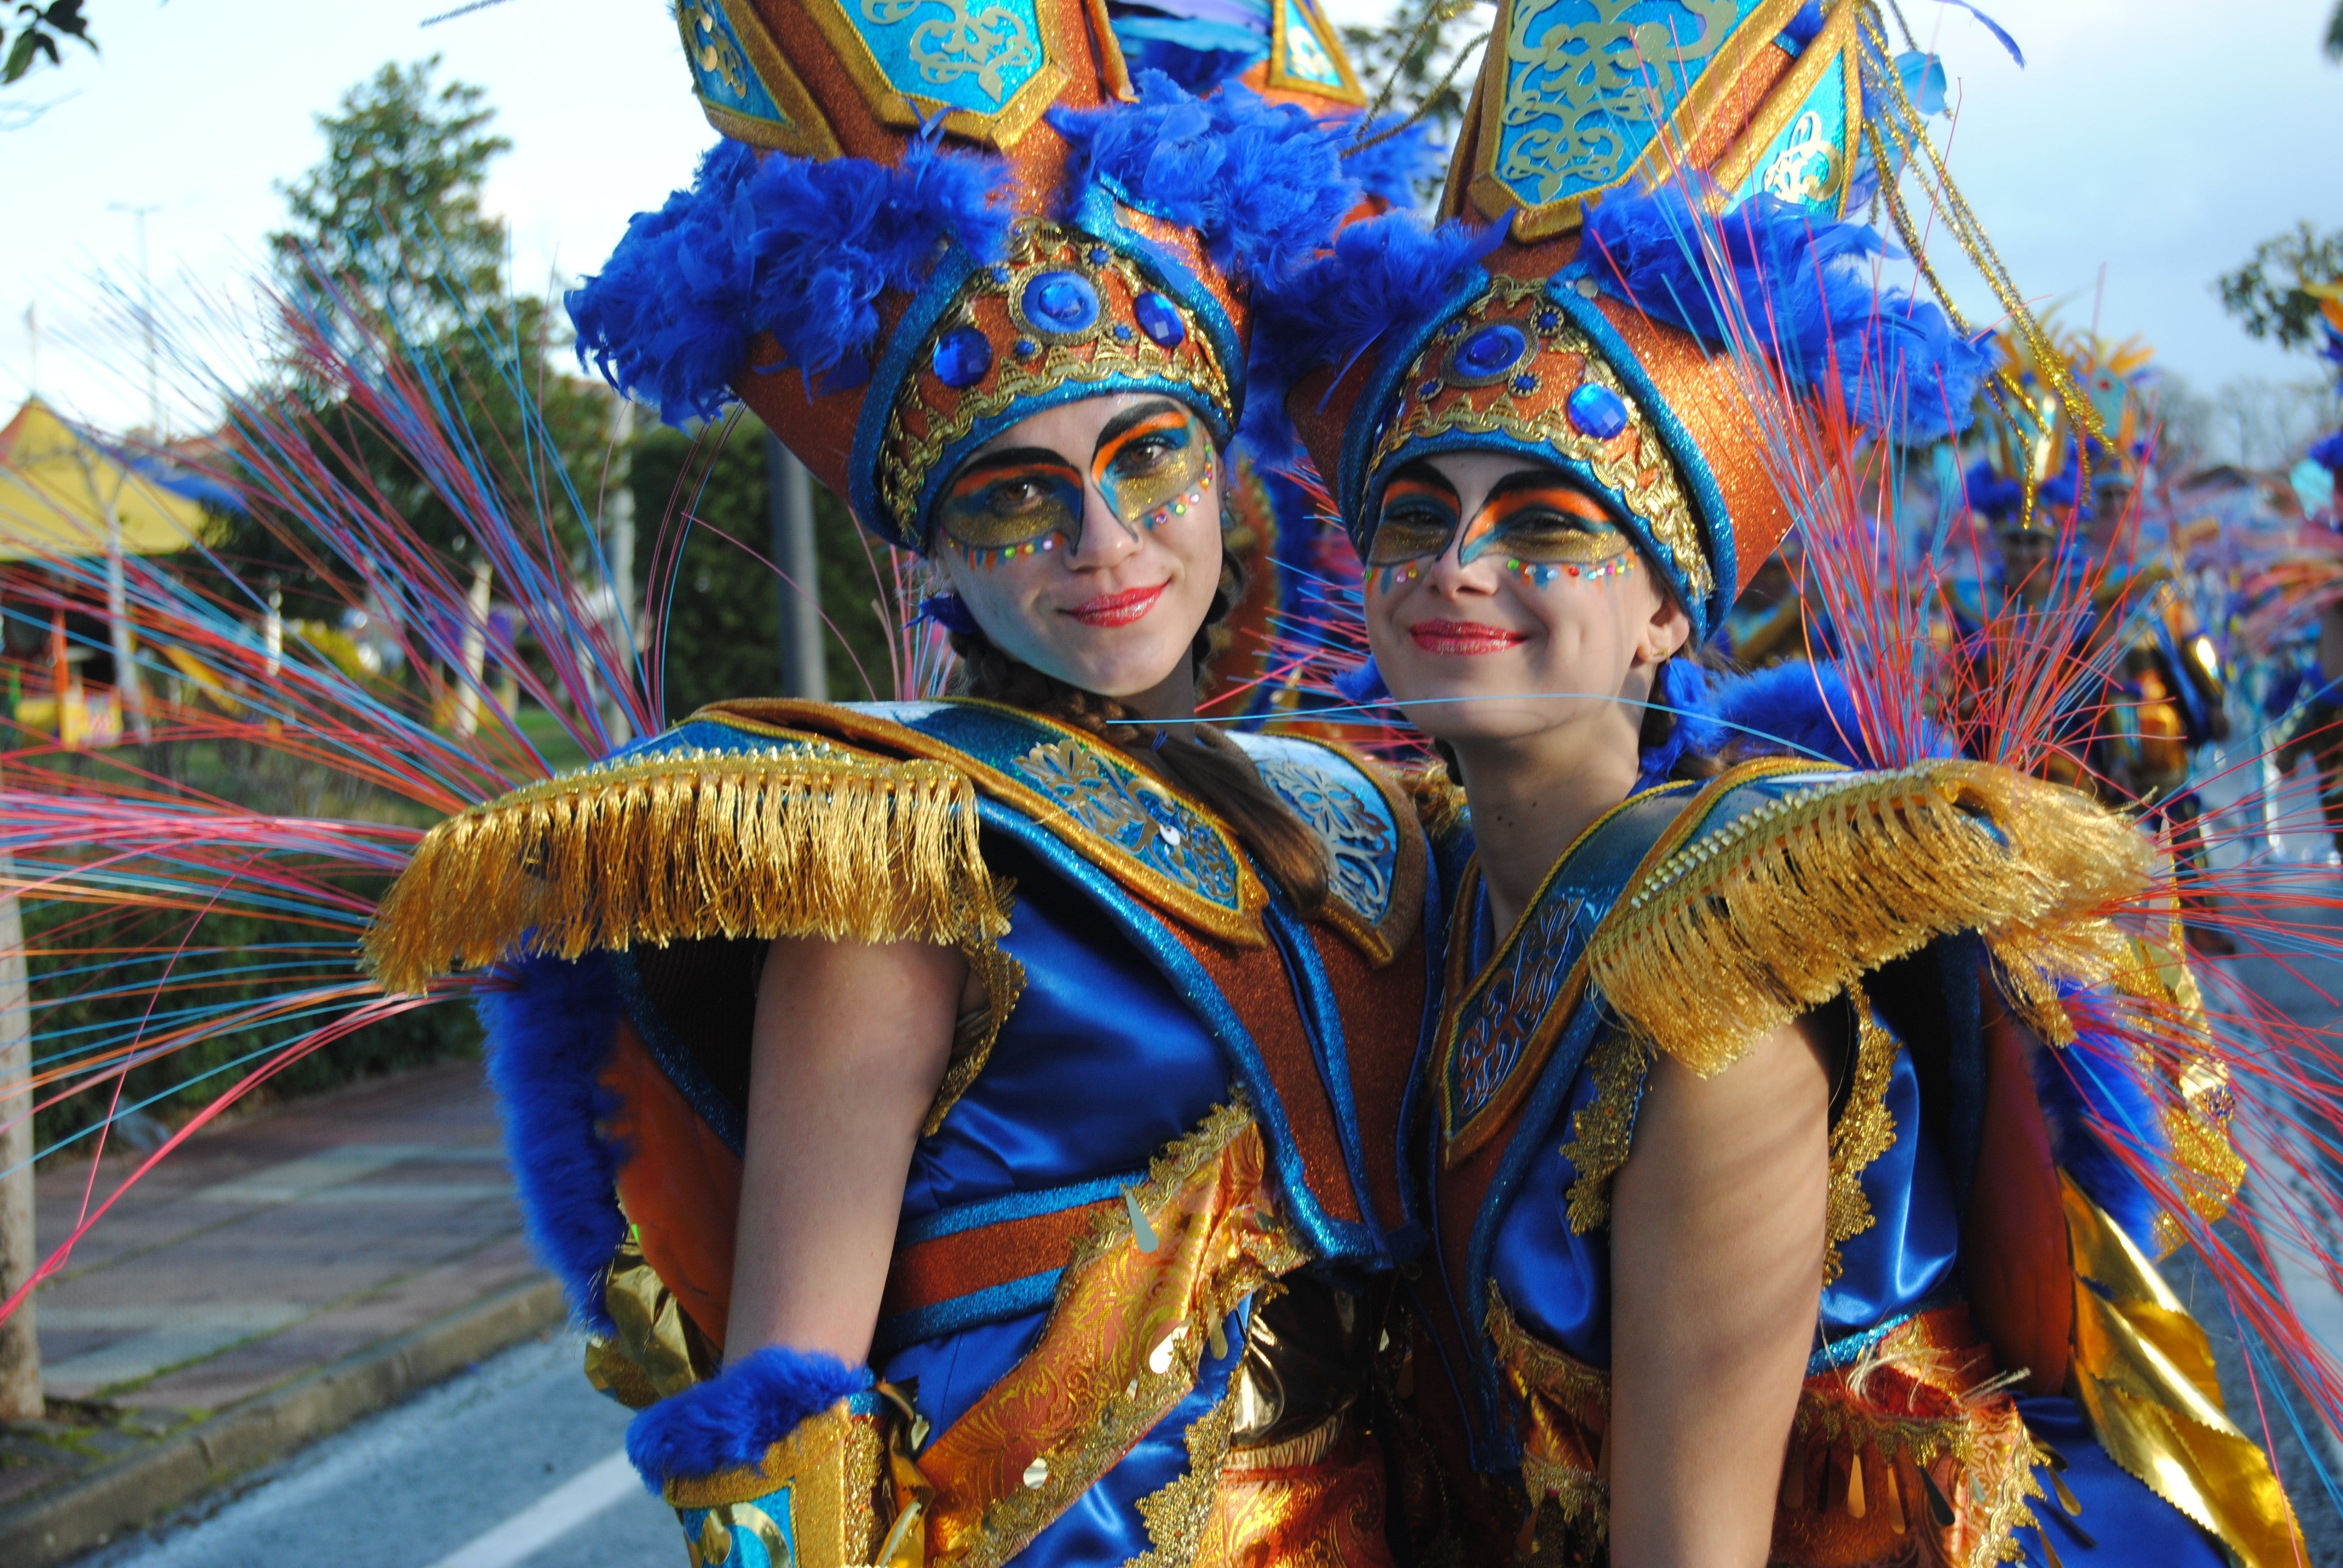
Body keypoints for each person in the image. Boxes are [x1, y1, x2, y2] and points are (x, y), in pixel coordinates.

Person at [362, 5, 1441, 1563]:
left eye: (1146, 457)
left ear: (1221, 469)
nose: (1104, 541)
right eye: (1018, 494)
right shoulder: (894, 858)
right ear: (933, 548)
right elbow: (786, 1404)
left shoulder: (1348, 814)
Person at [1245, 3, 2301, 1564]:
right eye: (1416, 516)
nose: (1459, 567)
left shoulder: (1722, 987)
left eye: (1543, 526)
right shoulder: (1437, 887)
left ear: (1671, 607)